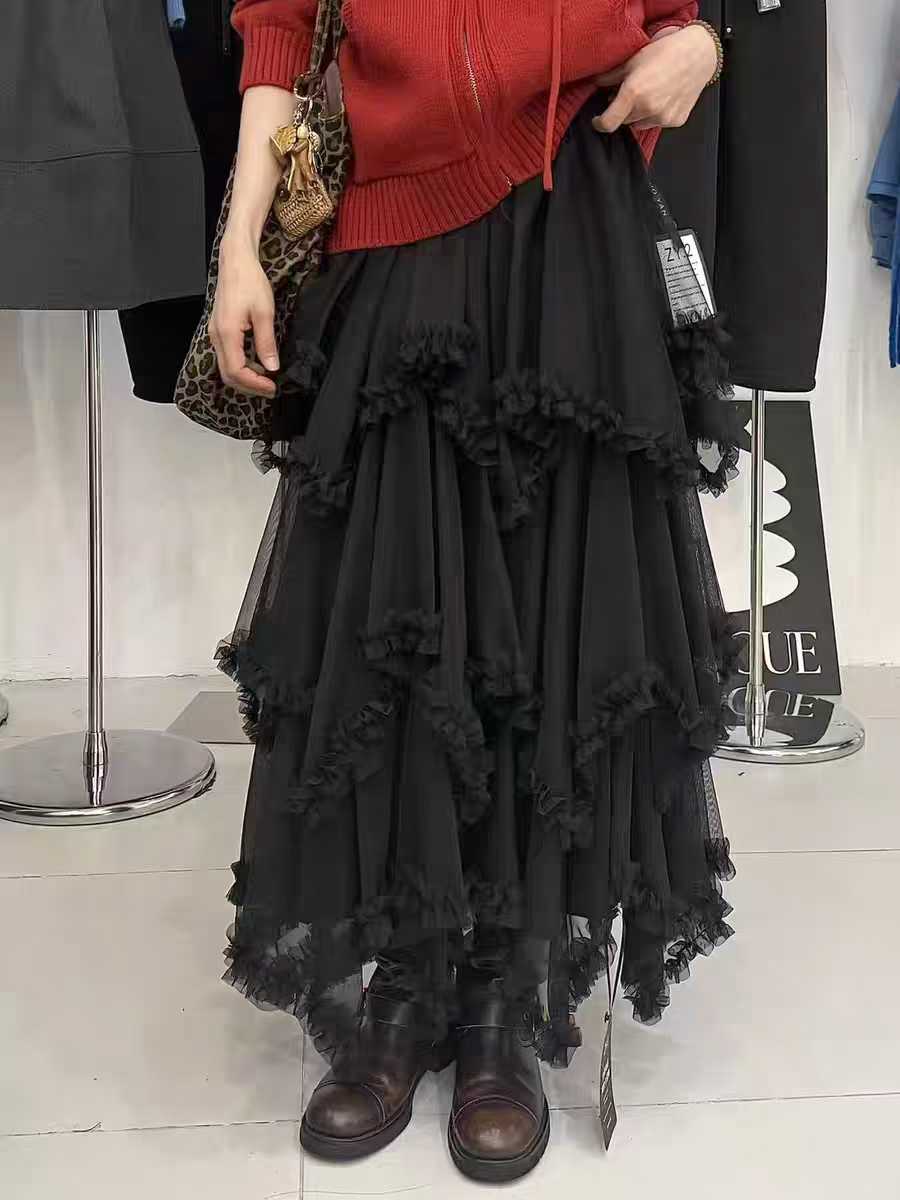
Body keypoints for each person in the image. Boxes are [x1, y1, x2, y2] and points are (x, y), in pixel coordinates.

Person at [211, 0, 736, 1183]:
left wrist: (704, 45)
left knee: (551, 609)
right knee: (398, 614)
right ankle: (407, 973)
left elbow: (680, 16)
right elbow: (281, 30)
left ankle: (505, 983)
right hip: (400, 233)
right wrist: (242, 242)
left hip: (576, 218)